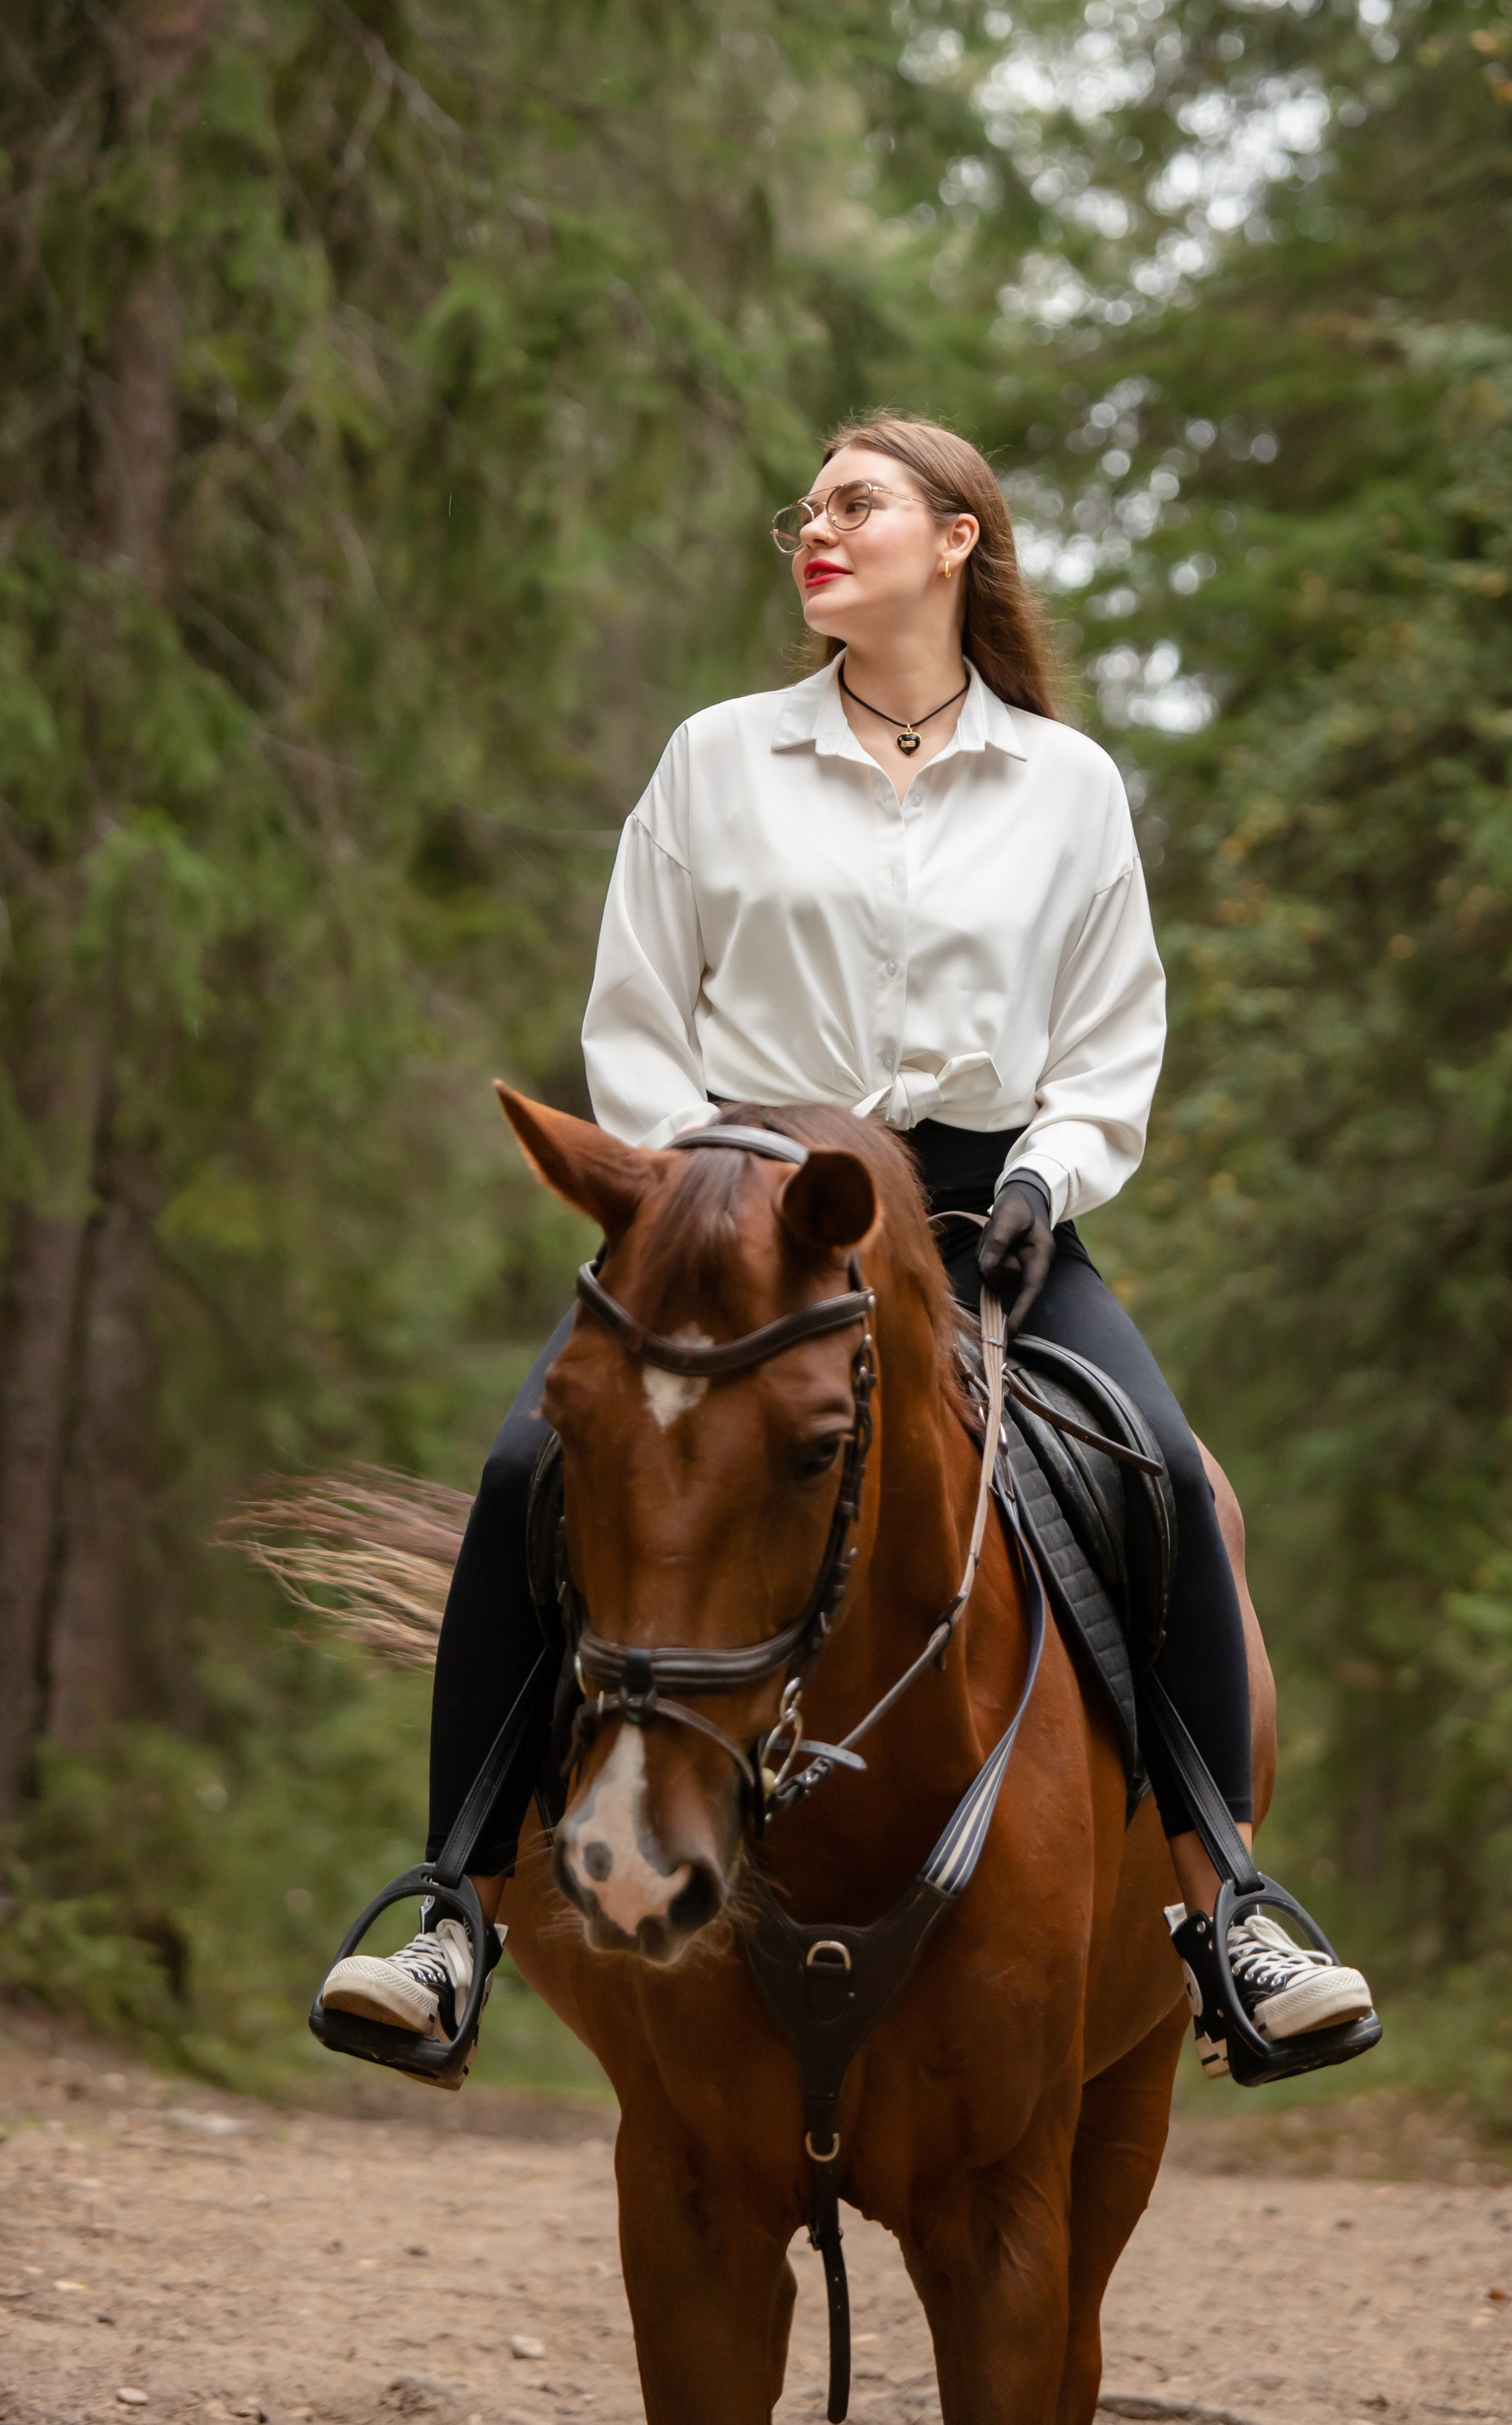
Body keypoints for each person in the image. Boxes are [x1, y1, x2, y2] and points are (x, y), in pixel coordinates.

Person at [319, 413, 1375, 2072]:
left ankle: (1221, 1906)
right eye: (802, 510)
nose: (814, 528)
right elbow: (638, 1016)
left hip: (976, 1227)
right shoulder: (713, 757)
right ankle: (448, 1910)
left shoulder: (1067, 786)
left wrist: (1048, 1179)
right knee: (533, 1471)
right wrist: (689, 1194)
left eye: (855, 504)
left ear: (956, 538)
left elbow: (1107, 1048)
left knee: (1162, 1475)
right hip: (736, 1212)